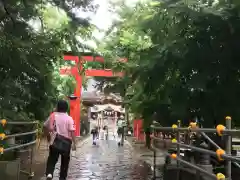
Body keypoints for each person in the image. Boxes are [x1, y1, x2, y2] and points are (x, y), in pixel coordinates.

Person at [43, 100, 76, 180]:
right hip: (66, 144)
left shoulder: (53, 116)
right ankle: (62, 178)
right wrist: (74, 143)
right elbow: (72, 131)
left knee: (52, 159)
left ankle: (50, 173)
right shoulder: (69, 118)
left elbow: (45, 126)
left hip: (54, 141)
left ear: (57, 107)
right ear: (66, 108)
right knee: (65, 162)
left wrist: (48, 136)